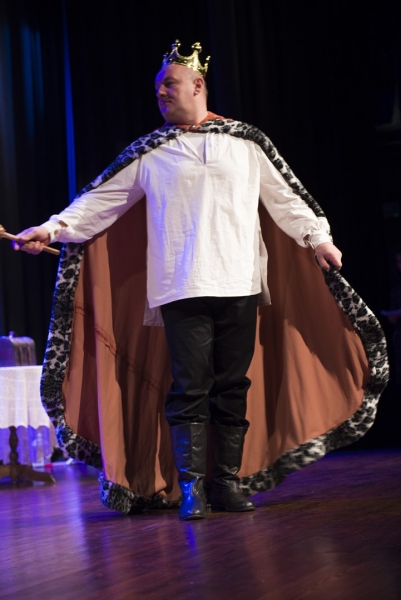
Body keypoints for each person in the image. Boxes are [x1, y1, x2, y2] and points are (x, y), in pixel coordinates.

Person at [15, 41, 343, 520]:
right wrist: (51, 228)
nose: (161, 93)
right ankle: (192, 488)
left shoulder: (246, 142)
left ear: (198, 85)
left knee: (232, 385)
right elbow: (98, 201)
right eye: (157, 89)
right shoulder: (151, 152)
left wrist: (318, 239)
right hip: (181, 285)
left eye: (169, 84)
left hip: (240, 281)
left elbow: (286, 197)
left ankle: (226, 482)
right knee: (190, 387)